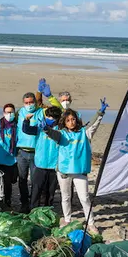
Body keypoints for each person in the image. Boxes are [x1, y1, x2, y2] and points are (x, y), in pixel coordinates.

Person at [44, 101, 107, 234]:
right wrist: (45, 128)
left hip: (80, 171)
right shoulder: (61, 134)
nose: (71, 122)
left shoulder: (85, 133)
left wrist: (100, 112)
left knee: (84, 198)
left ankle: (91, 223)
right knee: (65, 197)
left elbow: (94, 124)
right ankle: (67, 219)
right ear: (64, 122)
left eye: (73, 119)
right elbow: (51, 134)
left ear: (76, 120)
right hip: (64, 172)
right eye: (68, 120)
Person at [15, 78, 64, 212]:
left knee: (38, 184)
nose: (29, 104)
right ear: (23, 103)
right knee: (22, 180)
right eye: (26, 102)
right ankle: (25, 204)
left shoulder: (41, 112)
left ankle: (42, 207)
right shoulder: (19, 112)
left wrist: (48, 95)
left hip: (37, 154)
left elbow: (58, 110)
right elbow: (19, 128)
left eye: (31, 102)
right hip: (22, 152)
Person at [22, 106, 63, 208]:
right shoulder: (40, 126)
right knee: (36, 190)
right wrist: (26, 120)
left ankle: (47, 210)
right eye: (48, 116)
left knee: (50, 192)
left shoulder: (61, 130)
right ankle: (33, 210)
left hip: (54, 165)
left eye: (52, 117)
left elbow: (58, 137)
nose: (50, 118)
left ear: (57, 118)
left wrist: (47, 129)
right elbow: (27, 130)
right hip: (40, 163)